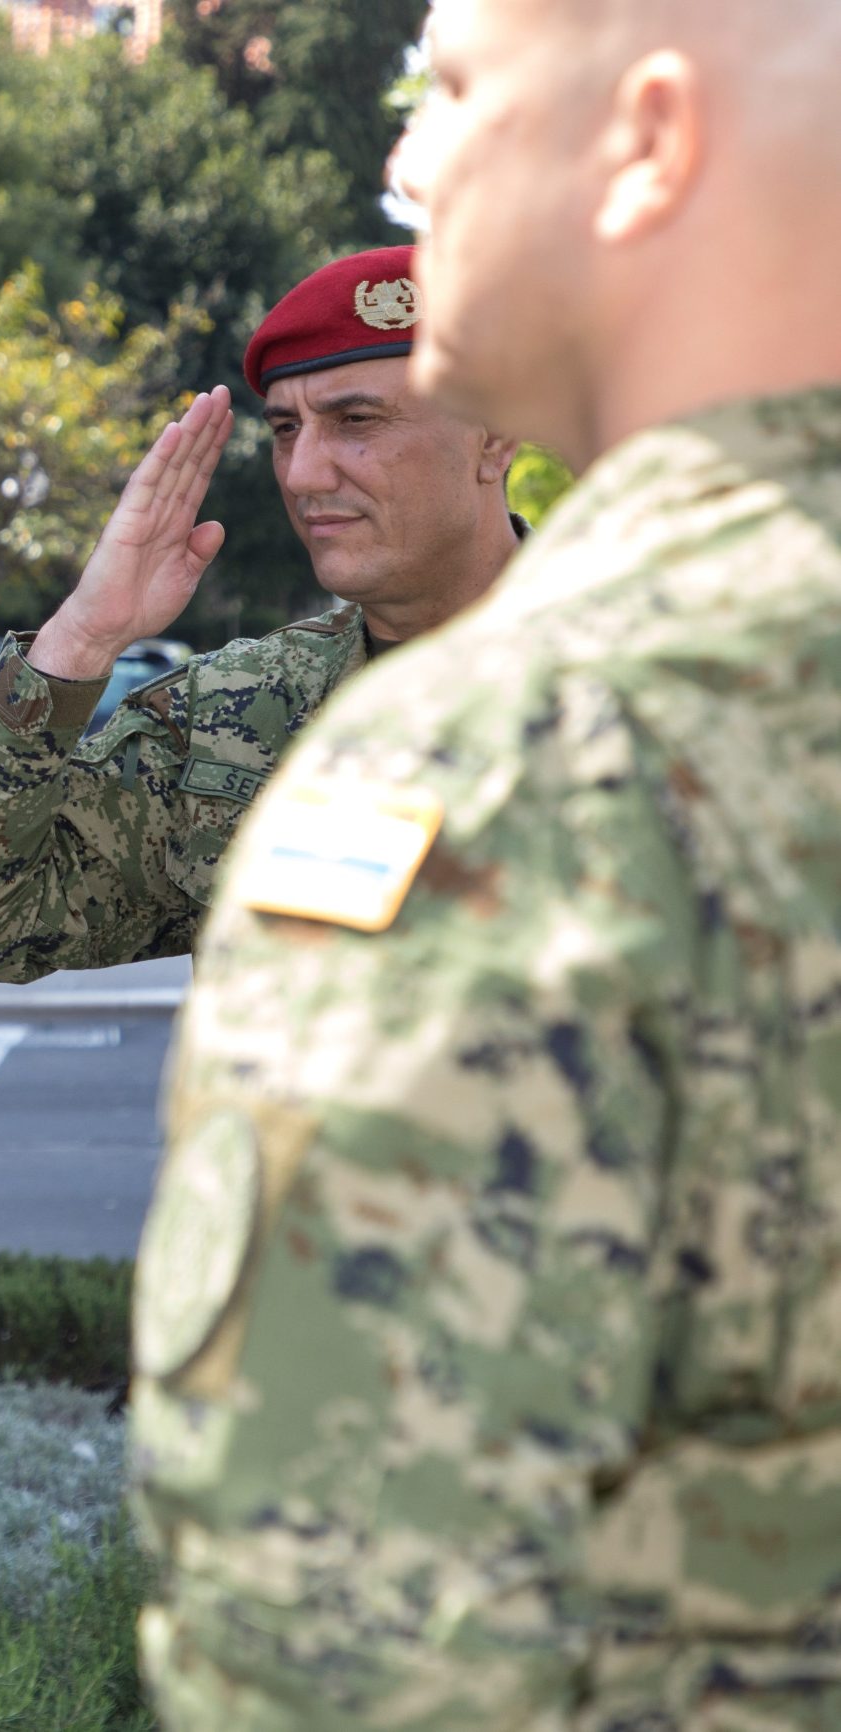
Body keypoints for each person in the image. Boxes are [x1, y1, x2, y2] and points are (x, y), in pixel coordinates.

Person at [125, 0, 841, 1726]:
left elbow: (338, 1635)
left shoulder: (509, 762)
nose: (408, 162)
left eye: (450, 92)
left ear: (651, 143)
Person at [0, 245, 523, 982]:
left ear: (493, 435)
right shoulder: (236, 716)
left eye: (354, 421)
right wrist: (83, 636)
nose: (302, 474)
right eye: (283, 431)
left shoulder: (651, 674)